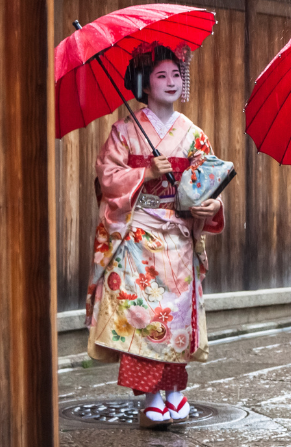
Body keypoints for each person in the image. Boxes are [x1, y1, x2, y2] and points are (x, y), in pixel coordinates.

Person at [85, 43, 225, 427]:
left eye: (175, 75)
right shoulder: (125, 130)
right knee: (142, 317)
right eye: (160, 75)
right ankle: (150, 396)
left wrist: (209, 207)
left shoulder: (192, 134)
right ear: (144, 84)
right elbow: (107, 177)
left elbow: (209, 183)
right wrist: (144, 174)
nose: (170, 81)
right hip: (137, 238)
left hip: (178, 235)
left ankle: (176, 391)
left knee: (176, 319)